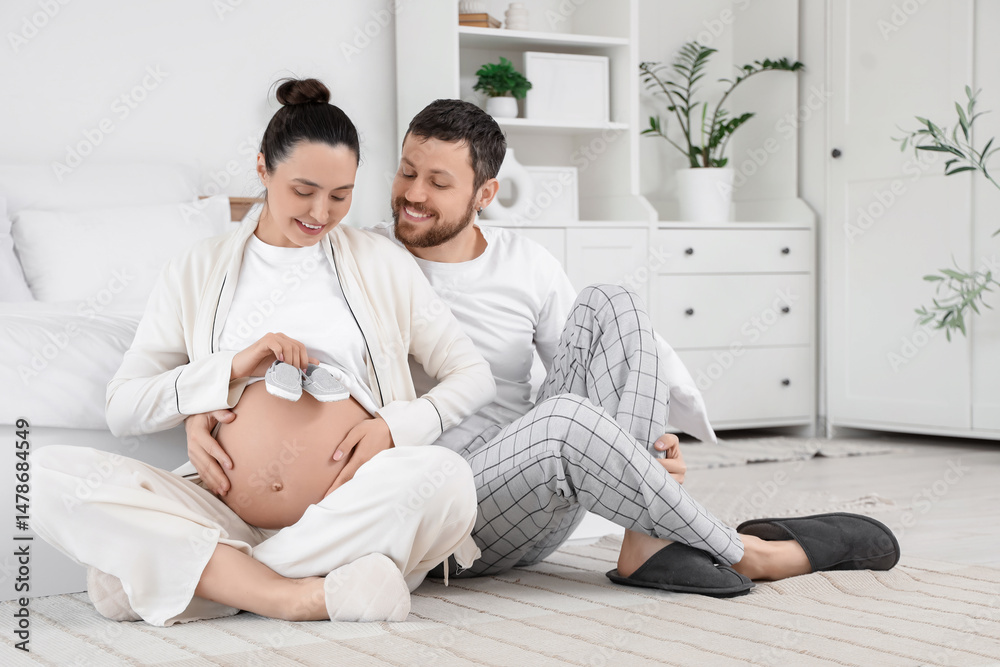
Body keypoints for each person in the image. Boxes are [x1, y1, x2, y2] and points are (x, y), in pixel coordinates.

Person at [187, 98, 900, 597]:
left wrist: (649, 441)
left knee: (613, 301)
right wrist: (203, 403)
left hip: (538, 488)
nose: (411, 194)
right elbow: (270, 266)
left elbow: (608, 363)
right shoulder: (362, 255)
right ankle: (754, 553)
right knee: (565, 423)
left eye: (438, 182)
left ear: (485, 192)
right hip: (443, 511)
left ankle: (644, 537)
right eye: (406, 171)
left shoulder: (524, 263)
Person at [30, 80, 496, 627]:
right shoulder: (195, 269)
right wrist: (224, 372)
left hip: (347, 513)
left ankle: (207, 579)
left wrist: (392, 430)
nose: (320, 212)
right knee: (37, 475)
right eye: (304, 190)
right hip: (222, 510)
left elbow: (472, 375)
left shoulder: (381, 261)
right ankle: (289, 596)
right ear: (262, 169)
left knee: (446, 478)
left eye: (340, 195)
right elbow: (123, 407)